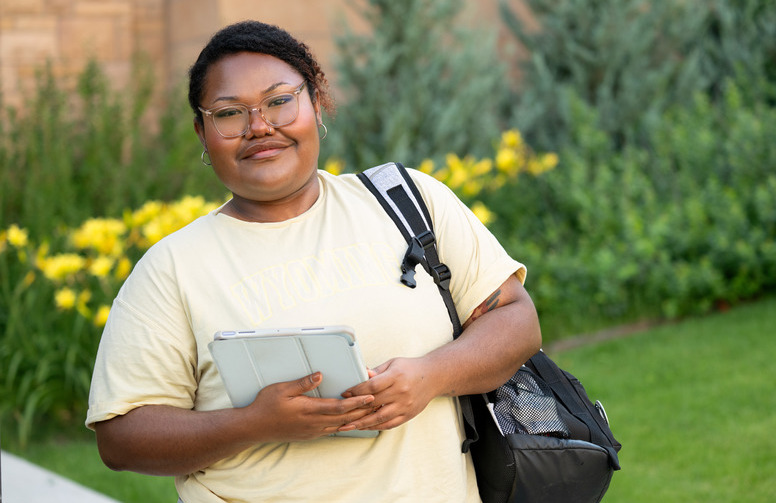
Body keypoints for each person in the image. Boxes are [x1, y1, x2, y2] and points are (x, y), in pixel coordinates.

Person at [86, 20, 542, 503]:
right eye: (229, 113)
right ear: (203, 133)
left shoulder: (406, 202)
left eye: (280, 101)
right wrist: (251, 424)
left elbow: (516, 319)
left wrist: (431, 377)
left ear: (317, 101)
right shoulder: (172, 268)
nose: (259, 127)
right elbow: (122, 437)